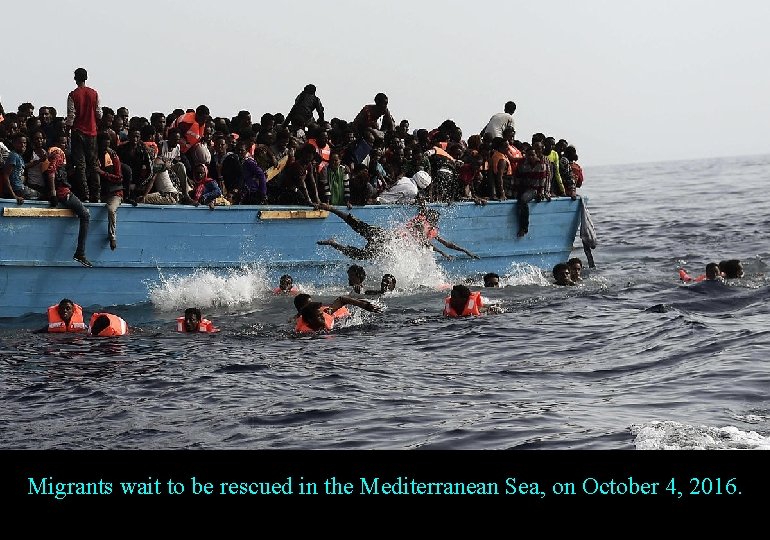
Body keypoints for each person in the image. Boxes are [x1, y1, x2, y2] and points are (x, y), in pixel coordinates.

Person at [316, 203, 478, 261]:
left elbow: (446, 243)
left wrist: (465, 250)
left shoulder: (432, 229)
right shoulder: (421, 223)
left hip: (386, 246)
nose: (434, 222)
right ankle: (331, 208)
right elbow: (424, 243)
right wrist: (442, 254)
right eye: (433, 219)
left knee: (360, 255)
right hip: (386, 238)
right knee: (357, 225)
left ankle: (334, 243)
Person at [46, 147, 92, 267]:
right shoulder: (59, 155)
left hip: (63, 191)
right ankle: (80, 252)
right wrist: (53, 194)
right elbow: (51, 173)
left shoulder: (57, 156)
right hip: (63, 193)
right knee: (85, 215)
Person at [65, 68, 102, 202]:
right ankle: (96, 194)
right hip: (92, 132)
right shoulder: (94, 93)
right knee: (93, 164)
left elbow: (71, 116)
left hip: (78, 132)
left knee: (80, 165)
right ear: (86, 78)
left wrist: (67, 130)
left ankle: (85, 195)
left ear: (75, 78)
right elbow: (99, 113)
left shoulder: (73, 95)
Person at [295, 295, 381, 333]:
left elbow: (341, 299)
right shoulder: (301, 327)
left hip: (341, 315)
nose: (323, 317)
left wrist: (364, 305)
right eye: (309, 305)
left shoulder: (325, 312)